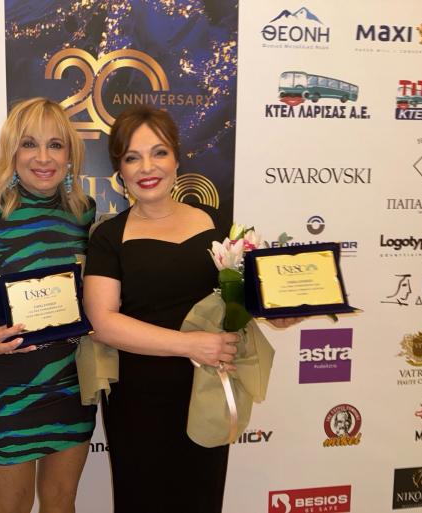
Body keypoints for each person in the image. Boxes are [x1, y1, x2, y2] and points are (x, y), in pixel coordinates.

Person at [83, 106, 300, 513]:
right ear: (120, 171)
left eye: (159, 152)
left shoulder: (218, 225)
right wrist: (190, 345)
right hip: (139, 400)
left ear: (177, 158)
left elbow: (242, 297)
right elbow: (104, 322)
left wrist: (277, 313)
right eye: (132, 157)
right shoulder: (108, 237)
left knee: (202, 499)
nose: (147, 167)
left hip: (209, 390)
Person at [0, 97, 96, 513]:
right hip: (6, 389)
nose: (43, 158)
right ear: (12, 151)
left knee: (61, 504)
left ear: (70, 154)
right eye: (29, 144)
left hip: (69, 383)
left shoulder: (83, 213)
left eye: (55, 145)